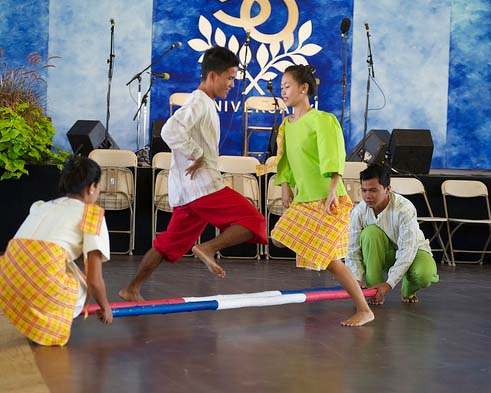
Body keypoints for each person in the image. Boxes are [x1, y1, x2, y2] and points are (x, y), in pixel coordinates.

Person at [119, 46, 267, 302]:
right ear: (212, 76)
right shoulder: (198, 101)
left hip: (189, 193)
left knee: (166, 244)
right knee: (255, 221)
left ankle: (131, 288)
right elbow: (169, 131)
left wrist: (196, 153)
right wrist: (196, 153)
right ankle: (207, 247)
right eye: (229, 78)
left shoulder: (205, 103)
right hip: (204, 188)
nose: (232, 84)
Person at [269, 64, 374, 327]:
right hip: (305, 199)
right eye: (281, 87)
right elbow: (287, 161)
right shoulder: (287, 125)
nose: (283, 91)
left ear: (303, 88)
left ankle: (364, 309)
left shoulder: (322, 120)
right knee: (280, 238)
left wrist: (332, 191)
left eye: (287, 86)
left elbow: (333, 155)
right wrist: (285, 186)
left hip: (328, 199)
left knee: (329, 260)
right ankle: (362, 306)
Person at [0, 156, 112, 346]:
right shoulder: (92, 215)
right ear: (91, 187)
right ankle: (48, 322)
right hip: (38, 284)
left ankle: (33, 317)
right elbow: (95, 279)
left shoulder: (41, 206)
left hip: (5, 281)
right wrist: (105, 307)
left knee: (59, 264)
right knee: (83, 286)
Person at [345, 164, 439, 306]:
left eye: (373, 190)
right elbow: (352, 250)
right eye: (364, 190)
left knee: (424, 275)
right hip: (383, 253)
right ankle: (374, 289)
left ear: (388, 189)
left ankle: (408, 288)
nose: (367, 196)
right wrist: (356, 279)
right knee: (371, 233)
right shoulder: (359, 212)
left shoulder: (404, 209)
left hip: (413, 251)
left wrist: (389, 284)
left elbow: (407, 250)